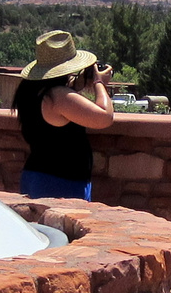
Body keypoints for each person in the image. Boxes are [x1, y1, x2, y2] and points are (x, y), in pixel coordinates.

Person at [13, 29, 115, 200]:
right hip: (61, 183)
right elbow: (104, 117)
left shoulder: (32, 92)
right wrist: (99, 82)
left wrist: (81, 82)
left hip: (38, 176)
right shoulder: (57, 96)